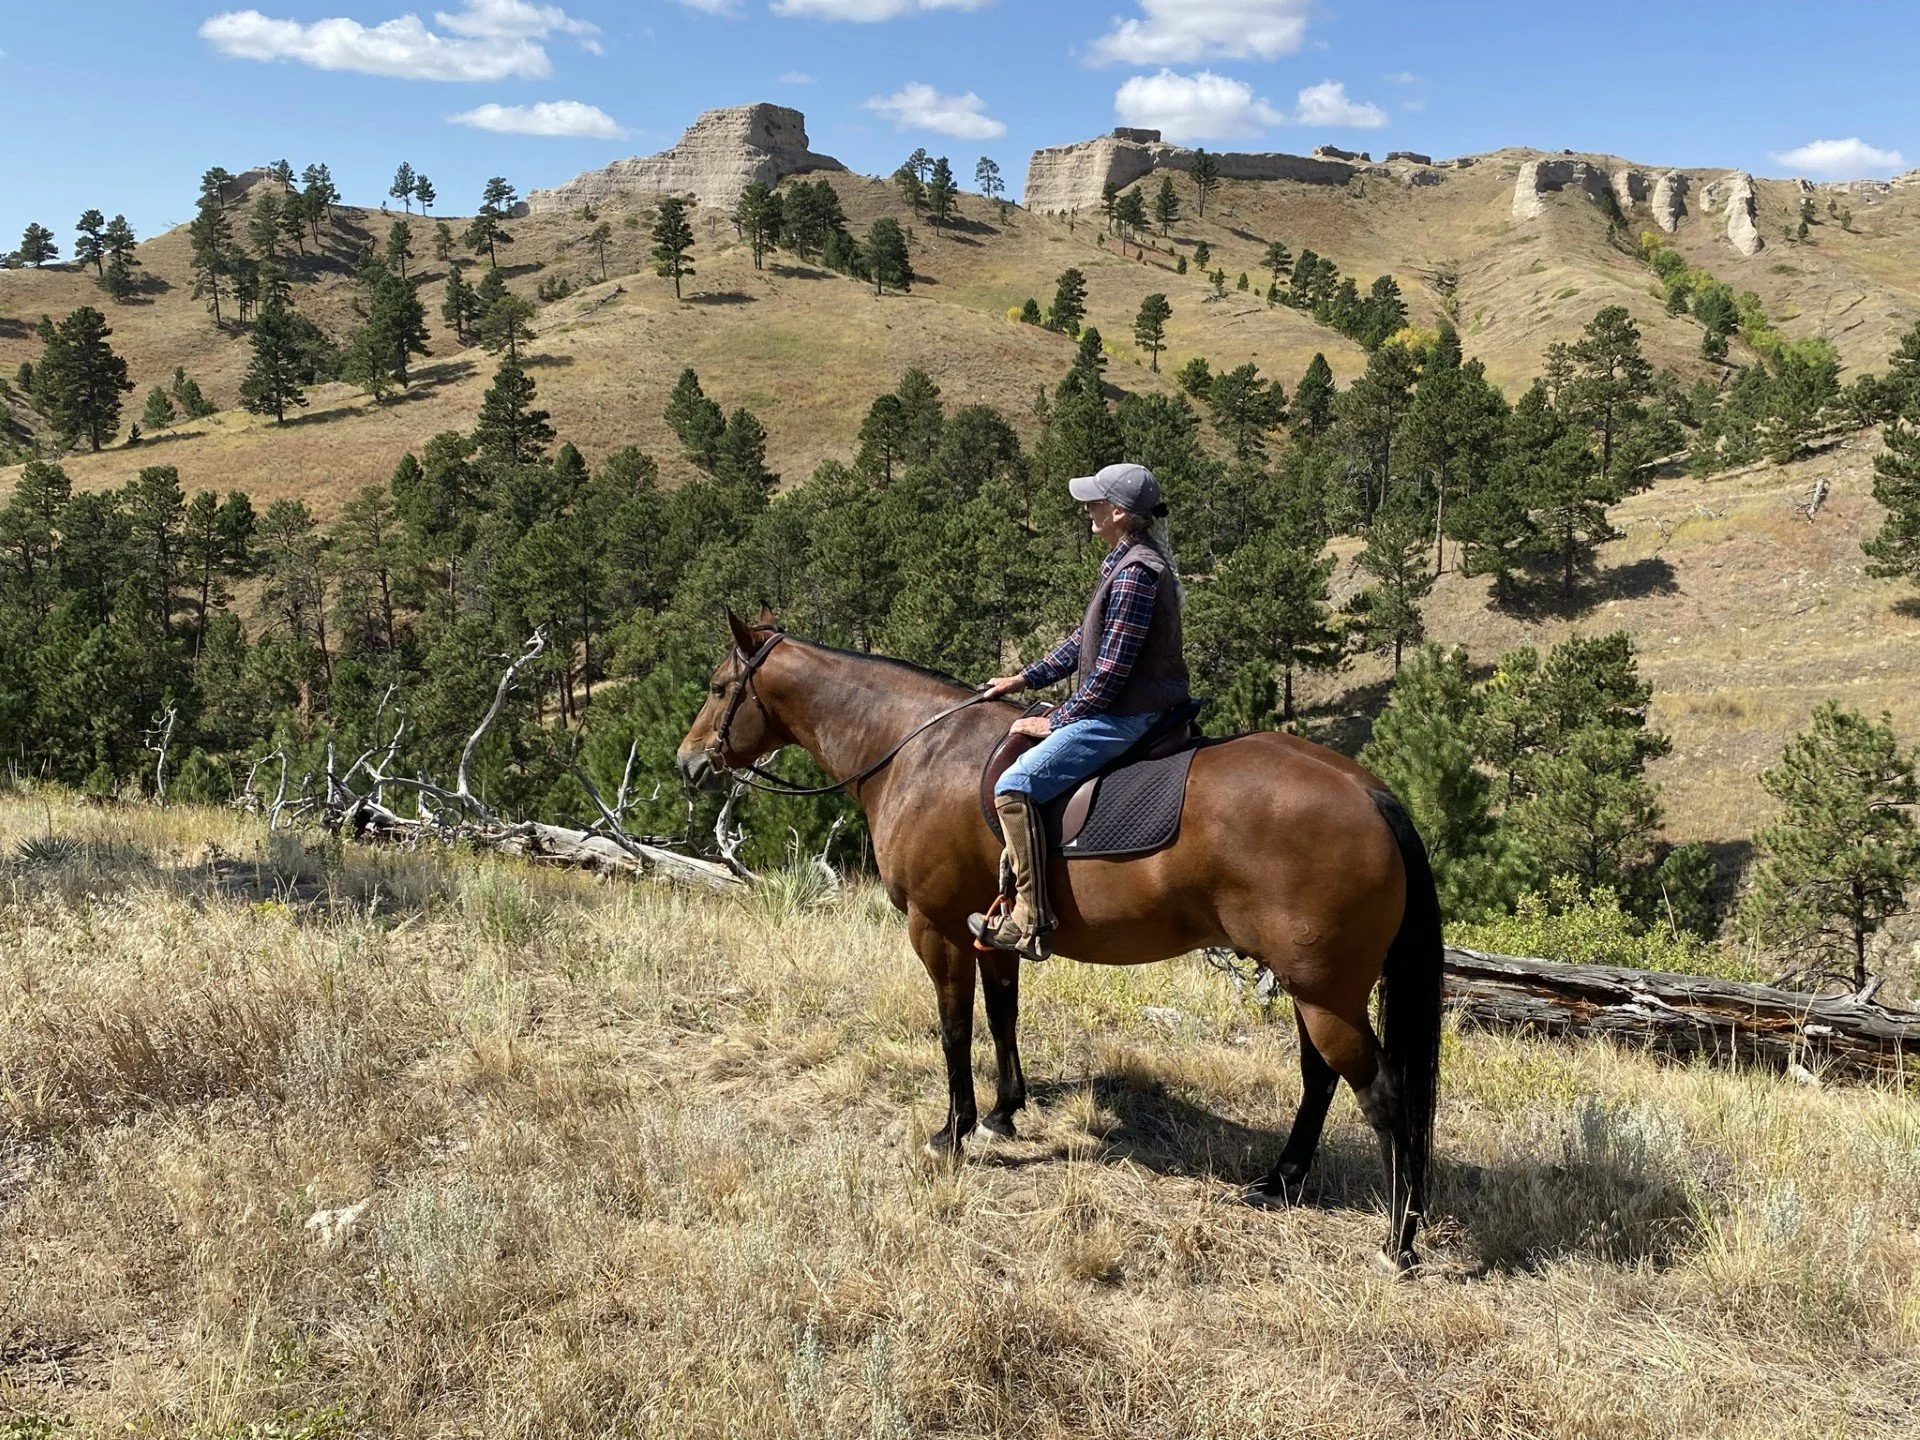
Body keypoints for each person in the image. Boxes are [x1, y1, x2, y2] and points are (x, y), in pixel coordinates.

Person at [968, 462, 1191, 961]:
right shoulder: (1125, 558)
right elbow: (1082, 642)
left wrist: (1058, 720)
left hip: (1128, 715)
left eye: (1095, 501)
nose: (1087, 508)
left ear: (1118, 511)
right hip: (1129, 706)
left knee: (1015, 784)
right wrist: (1024, 678)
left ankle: (1030, 921)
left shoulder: (1136, 572)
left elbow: (1109, 673)